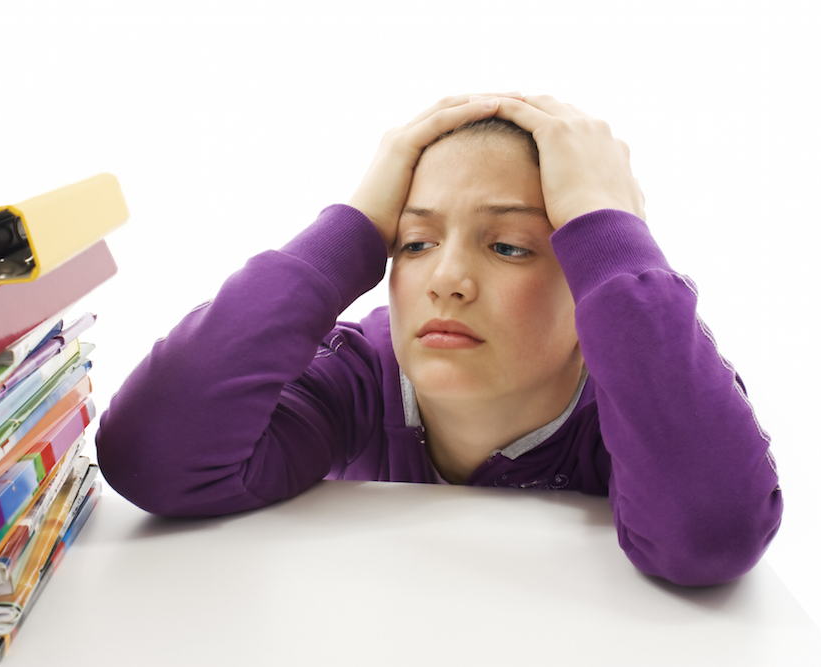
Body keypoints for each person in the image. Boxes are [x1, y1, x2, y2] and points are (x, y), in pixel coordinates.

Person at [96, 93, 783, 586]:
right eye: (415, 243)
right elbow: (153, 458)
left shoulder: (648, 390)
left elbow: (711, 534)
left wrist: (608, 227)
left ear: (592, 283)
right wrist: (352, 228)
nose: (446, 280)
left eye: (509, 247)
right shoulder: (357, 375)